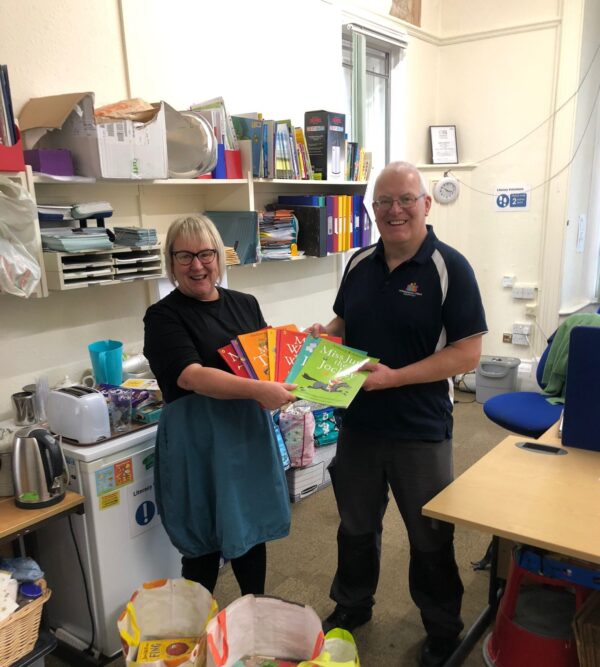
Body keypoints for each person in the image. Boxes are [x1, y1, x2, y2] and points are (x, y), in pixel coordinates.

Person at [310, 161, 487, 667]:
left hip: (420, 430)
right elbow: (345, 321)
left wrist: (394, 377)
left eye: (406, 199)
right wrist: (323, 336)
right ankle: (351, 605)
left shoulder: (450, 267)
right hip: (359, 423)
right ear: (372, 210)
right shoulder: (360, 262)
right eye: (383, 201)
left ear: (426, 205)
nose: (395, 210)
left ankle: (441, 628)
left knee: (429, 535)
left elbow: (466, 354)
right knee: (356, 525)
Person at [144, 214, 296, 596]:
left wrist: (305, 350)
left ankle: (254, 616)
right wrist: (259, 391)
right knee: (202, 542)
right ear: (172, 262)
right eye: (184, 256)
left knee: (249, 529)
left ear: (220, 256)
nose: (197, 265)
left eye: (206, 253)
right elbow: (190, 376)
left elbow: (269, 360)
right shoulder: (163, 316)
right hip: (197, 441)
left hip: (246, 435)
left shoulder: (245, 304)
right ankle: (196, 638)